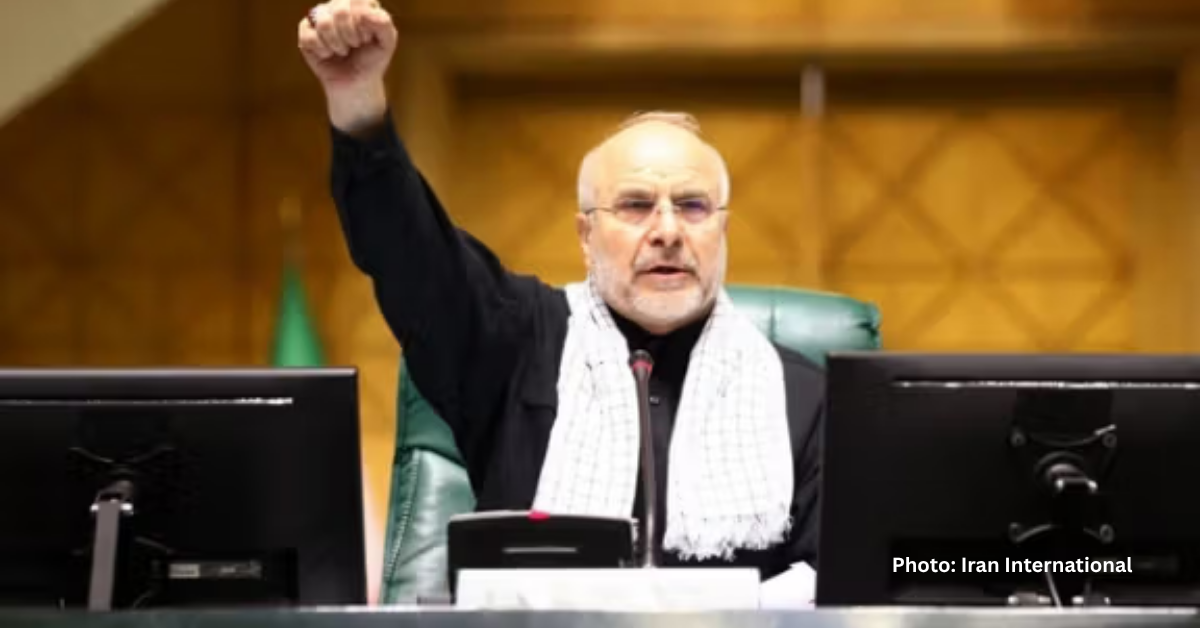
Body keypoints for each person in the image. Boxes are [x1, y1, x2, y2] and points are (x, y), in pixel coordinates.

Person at [297, 0, 825, 581]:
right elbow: (409, 253)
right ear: (586, 236)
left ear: (722, 230)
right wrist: (359, 103)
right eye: (636, 205)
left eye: (693, 206)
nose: (668, 231)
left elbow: (856, 582)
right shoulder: (516, 342)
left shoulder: (802, 397)